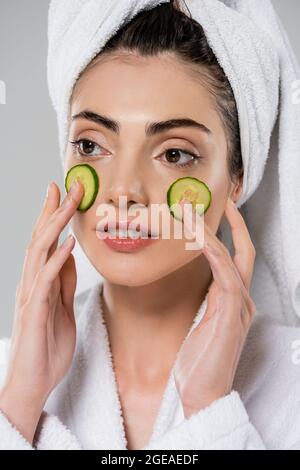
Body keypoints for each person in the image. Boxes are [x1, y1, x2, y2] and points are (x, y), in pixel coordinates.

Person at [0, 0, 299, 450]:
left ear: (236, 179)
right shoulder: (9, 379)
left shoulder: (291, 386)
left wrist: (208, 409)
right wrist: (19, 403)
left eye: (174, 154)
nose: (123, 192)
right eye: (91, 144)